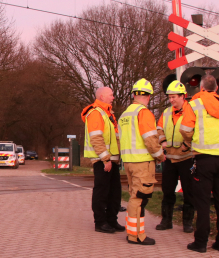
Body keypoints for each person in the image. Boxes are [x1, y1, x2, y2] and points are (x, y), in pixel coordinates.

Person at [187, 74, 219, 253]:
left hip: (203, 159)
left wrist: (192, 142)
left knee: (202, 203)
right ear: (216, 88)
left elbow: (186, 129)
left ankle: (200, 242)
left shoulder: (194, 105)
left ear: (201, 89)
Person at [118, 79, 166, 245]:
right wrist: (160, 155)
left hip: (129, 162)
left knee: (134, 196)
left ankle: (133, 233)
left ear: (134, 95)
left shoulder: (125, 114)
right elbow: (150, 140)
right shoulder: (143, 113)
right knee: (139, 199)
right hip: (142, 163)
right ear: (149, 96)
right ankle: (137, 236)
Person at [156, 80, 197, 233]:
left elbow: (197, 132)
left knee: (189, 192)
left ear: (183, 96)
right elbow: (159, 128)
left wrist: (188, 145)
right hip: (170, 159)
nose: (171, 100)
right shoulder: (166, 112)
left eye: (174, 97)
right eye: (170, 97)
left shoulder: (191, 111)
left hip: (187, 158)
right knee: (167, 191)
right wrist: (163, 141)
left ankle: (187, 223)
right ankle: (166, 220)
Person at [82, 86, 124, 233]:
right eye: (111, 95)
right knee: (102, 191)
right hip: (103, 160)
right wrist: (105, 159)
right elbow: (96, 138)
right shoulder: (96, 113)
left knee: (114, 192)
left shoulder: (107, 114)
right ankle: (100, 222)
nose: (113, 97)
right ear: (101, 97)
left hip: (111, 160)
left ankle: (112, 220)